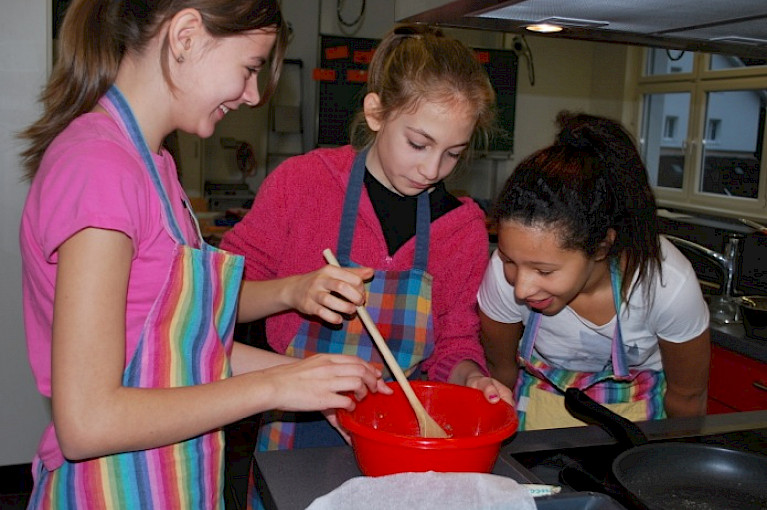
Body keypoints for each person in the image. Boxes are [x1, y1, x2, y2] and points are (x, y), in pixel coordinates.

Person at [18, 1, 391, 508]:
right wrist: (276, 386)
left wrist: (314, 378)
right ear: (186, 36)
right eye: (250, 68)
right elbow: (88, 422)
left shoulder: (154, 166)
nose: (251, 95)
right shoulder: (100, 168)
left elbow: (181, 349)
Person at [220, 23, 513, 456]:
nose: (432, 170)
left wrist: (470, 377)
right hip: (298, 422)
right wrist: (293, 291)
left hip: (402, 426)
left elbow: (455, 341)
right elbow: (215, 300)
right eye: (418, 144)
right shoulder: (303, 184)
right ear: (376, 113)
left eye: (453, 153)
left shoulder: (462, 227)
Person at [478, 111, 711, 431]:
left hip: (638, 435)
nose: (521, 288)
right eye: (509, 261)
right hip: (536, 426)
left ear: (601, 248)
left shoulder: (666, 284)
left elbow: (687, 397)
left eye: (544, 271)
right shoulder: (502, 274)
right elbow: (500, 371)